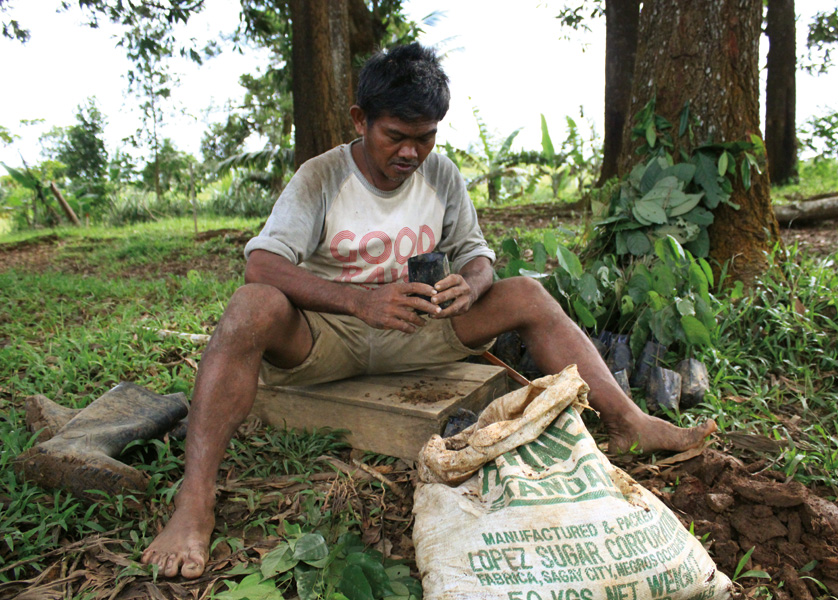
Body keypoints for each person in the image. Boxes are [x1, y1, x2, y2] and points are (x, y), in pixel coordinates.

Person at [141, 43, 716, 580]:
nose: (411, 152)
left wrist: (470, 283)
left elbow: (478, 254)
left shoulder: (439, 174)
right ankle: (195, 499)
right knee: (250, 306)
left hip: (422, 328)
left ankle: (629, 423)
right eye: (395, 136)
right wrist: (358, 300)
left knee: (526, 294)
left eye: (426, 137)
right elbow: (262, 265)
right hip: (325, 338)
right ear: (358, 119)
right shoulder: (322, 177)